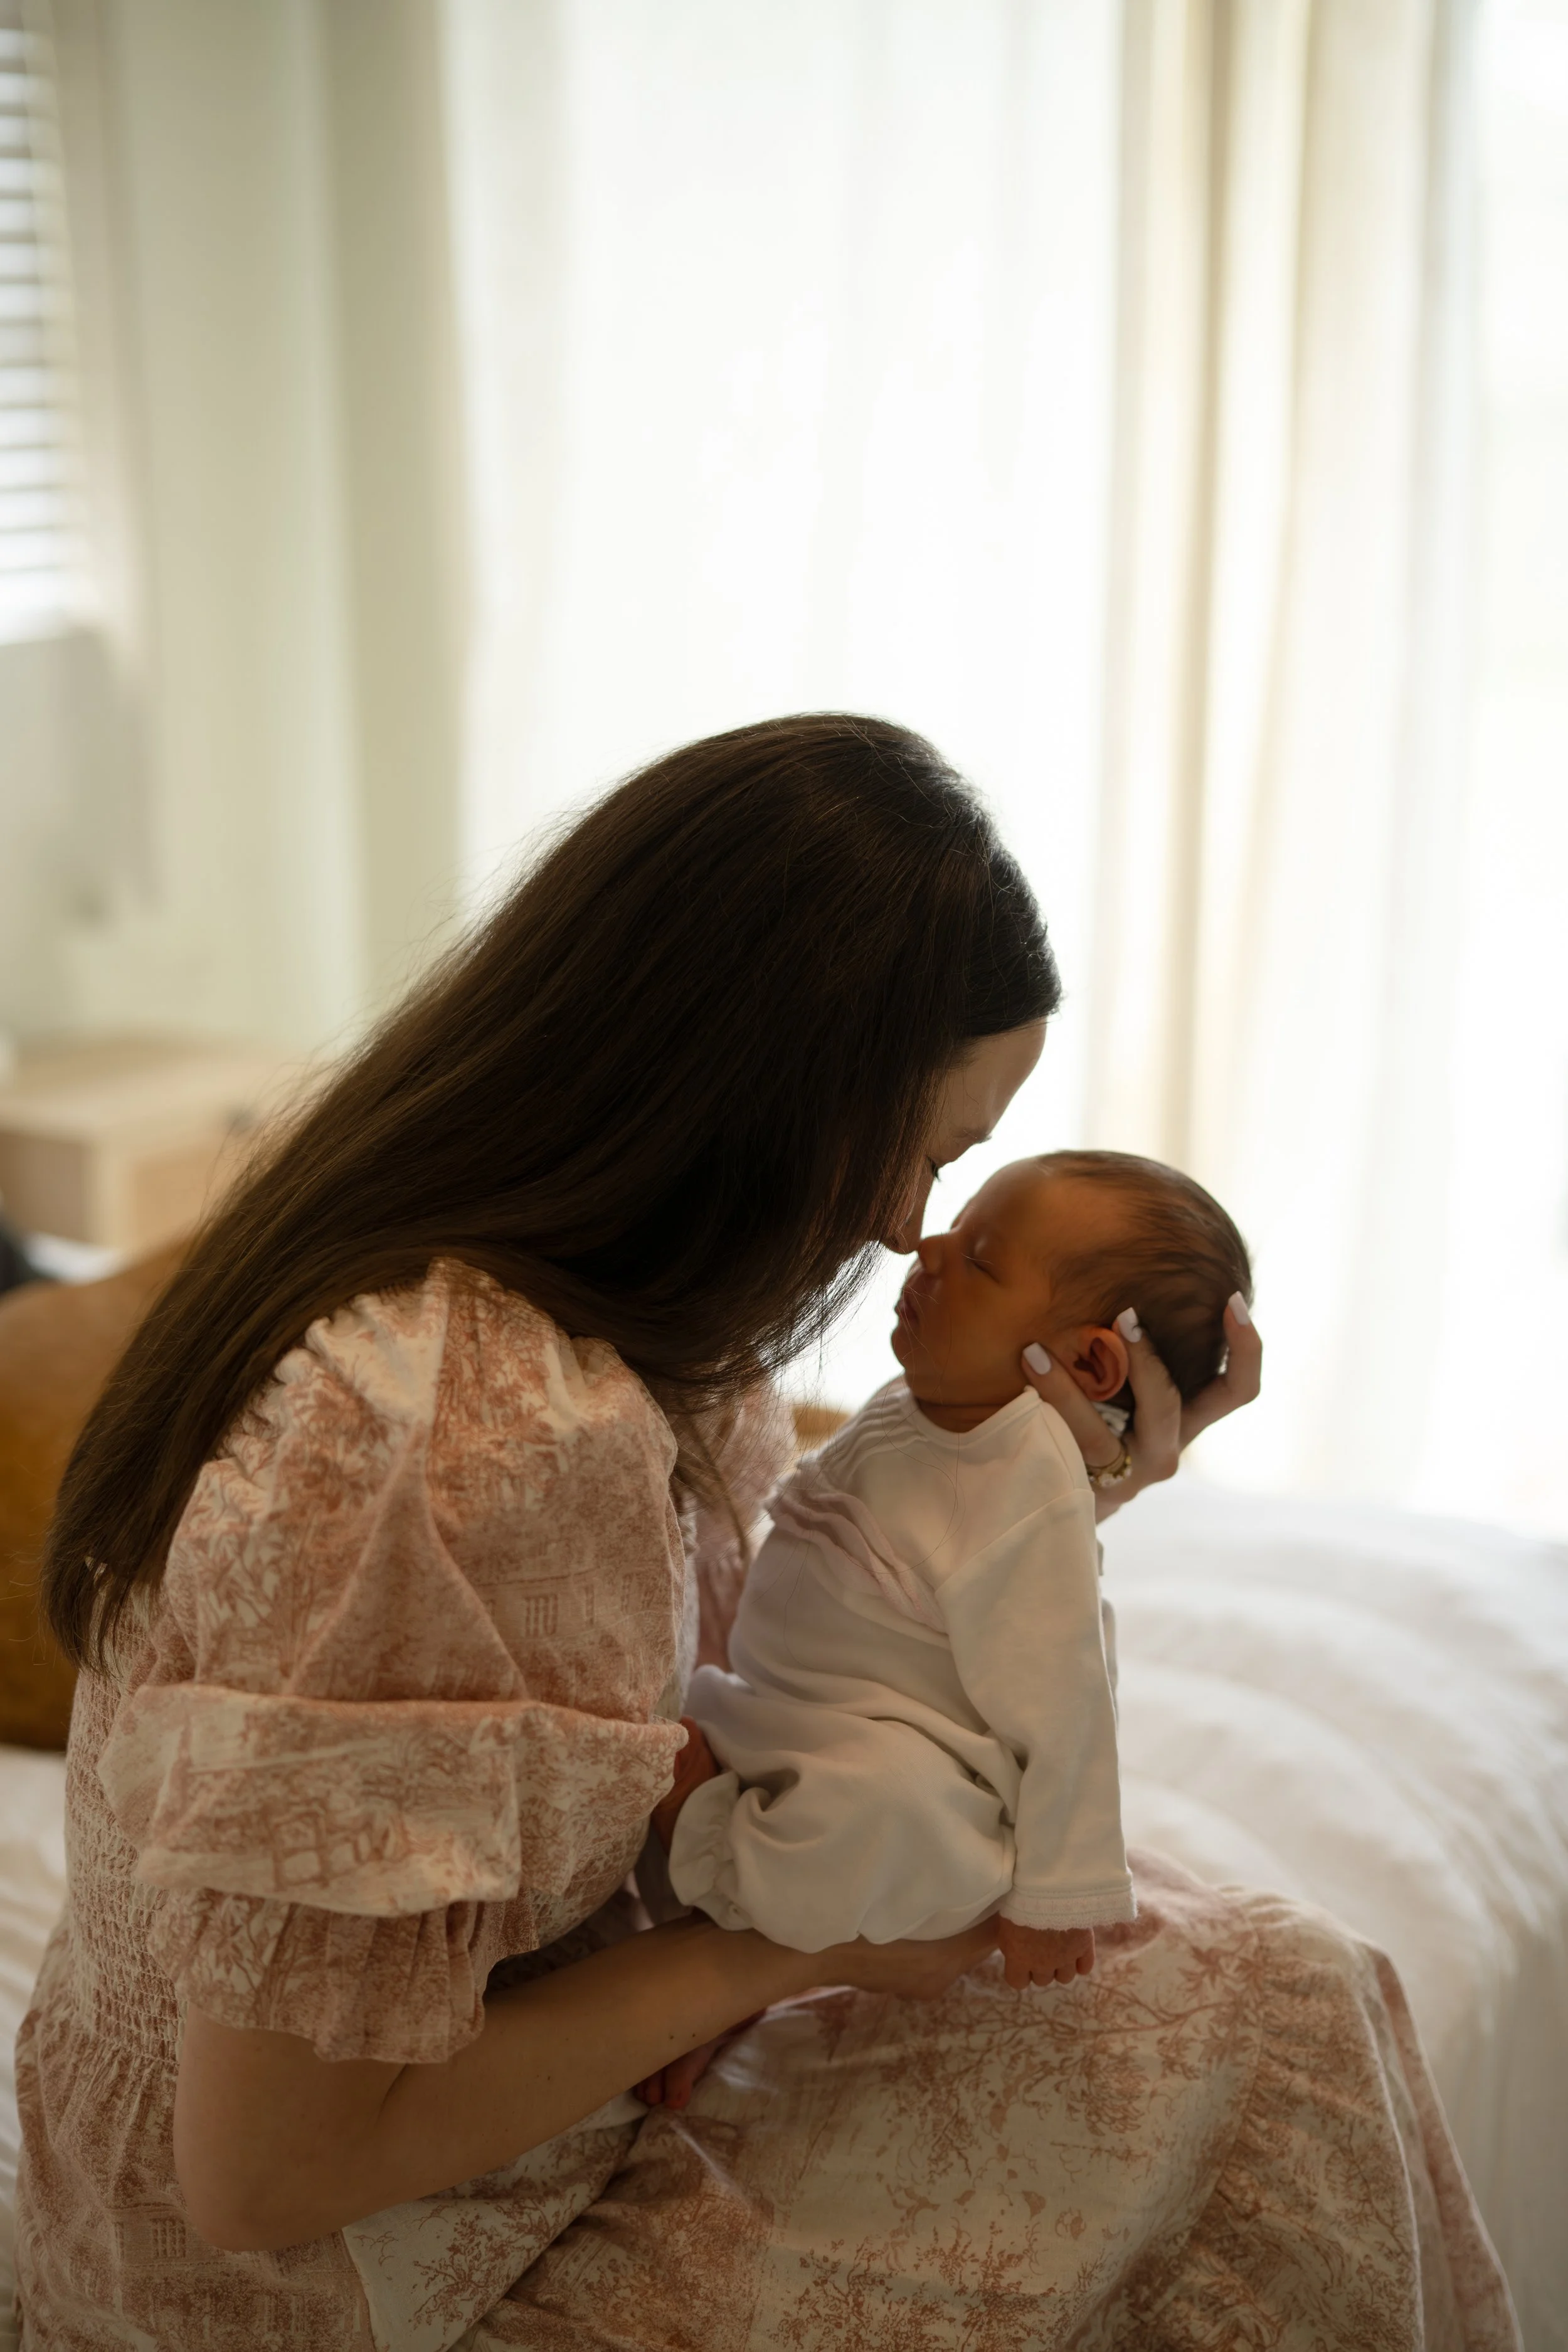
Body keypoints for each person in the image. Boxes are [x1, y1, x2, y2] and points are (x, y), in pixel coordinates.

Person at [16, 717, 1515, 2351]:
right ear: (748, 1077)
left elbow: (775, 1634)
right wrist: (770, 1947)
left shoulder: (637, 1314)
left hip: (543, 2057)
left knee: (1298, 1981)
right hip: (342, 2275)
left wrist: (1063, 1485)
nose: (898, 1222)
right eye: (924, 1148)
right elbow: (261, 2176)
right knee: (1274, 2065)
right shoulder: (433, 1438)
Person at [660, 1151, 1251, 1986]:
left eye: (979, 1259)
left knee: (896, 1813)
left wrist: (1057, 1897)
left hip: (910, 1769)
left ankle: (718, 1877)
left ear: (1087, 1366)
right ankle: (736, 1924)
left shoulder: (1025, 1480)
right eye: (958, 1223)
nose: (928, 1247)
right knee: (748, 1746)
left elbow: (1069, 1709)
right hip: (792, 1715)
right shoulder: (931, 1394)